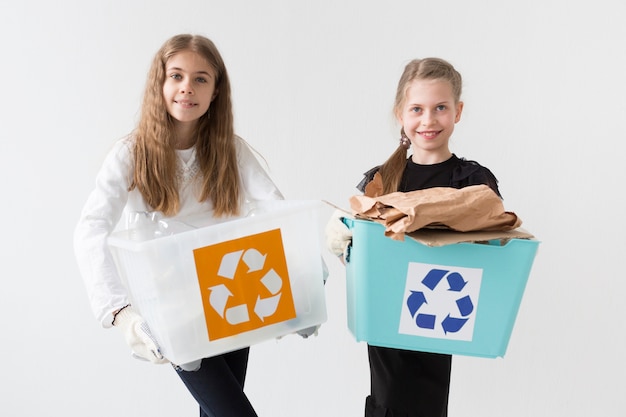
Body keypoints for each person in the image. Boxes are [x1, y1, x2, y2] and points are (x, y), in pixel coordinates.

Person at [74, 34, 285, 417]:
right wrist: (122, 314)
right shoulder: (131, 154)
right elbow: (90, 229)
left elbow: (275, 209)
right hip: (173, 308)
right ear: (161, 83)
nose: (187, 87)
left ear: (216, 90)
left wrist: (299, 271)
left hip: (231, 297)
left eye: (201, 78)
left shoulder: (230, 150)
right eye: (177, 76)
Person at [326, 57, 502, 416]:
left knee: (425, 398)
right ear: (400, 114)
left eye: (440, 108)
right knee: (386, 398)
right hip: (386, 310)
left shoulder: (471, 180)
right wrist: (344, 229)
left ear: (458, 111)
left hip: (441, 307)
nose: (428, 120)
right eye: (417, 109)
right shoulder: (383, 178)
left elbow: (490, 223)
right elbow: (361, 249)